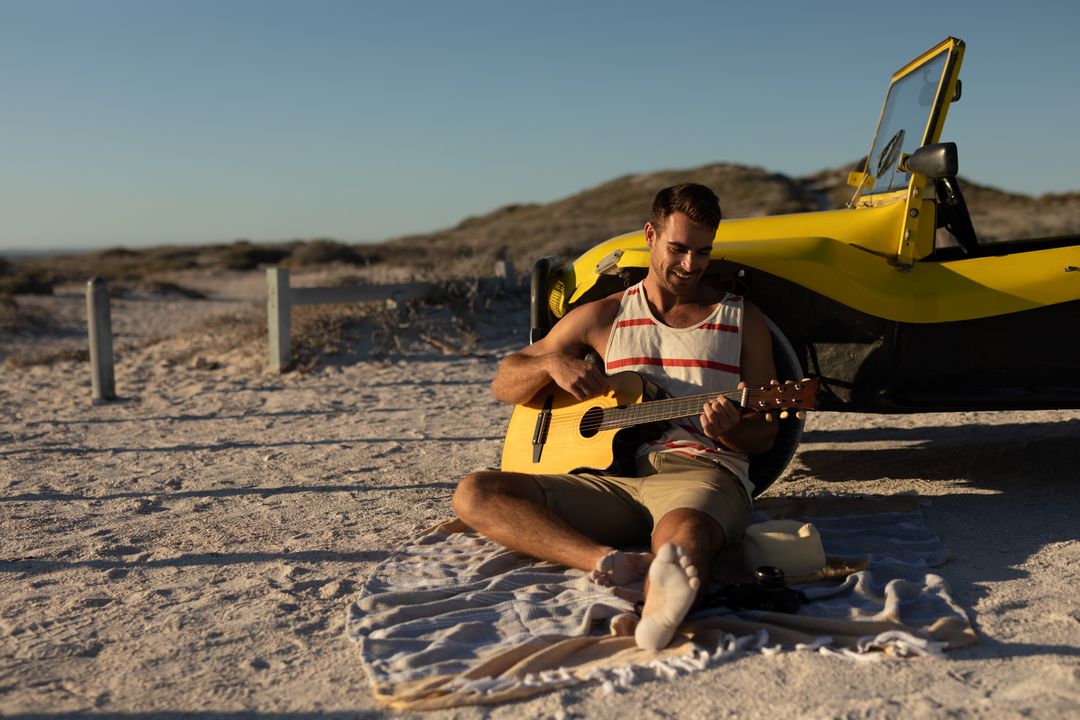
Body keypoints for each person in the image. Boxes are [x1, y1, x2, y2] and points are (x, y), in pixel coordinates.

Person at [452, 183, 778, 650]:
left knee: (684, 539)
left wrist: (733, 432)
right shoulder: (603, 316)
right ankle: (606, 562)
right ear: (650, 234)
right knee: (476, 492)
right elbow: (503, 381)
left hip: (700, 474)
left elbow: (765, 436)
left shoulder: (742, 319)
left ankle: (656, 614)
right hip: (608, 478)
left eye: (703, 252)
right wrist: (550, 364)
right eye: (678, 248)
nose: (691, 265)